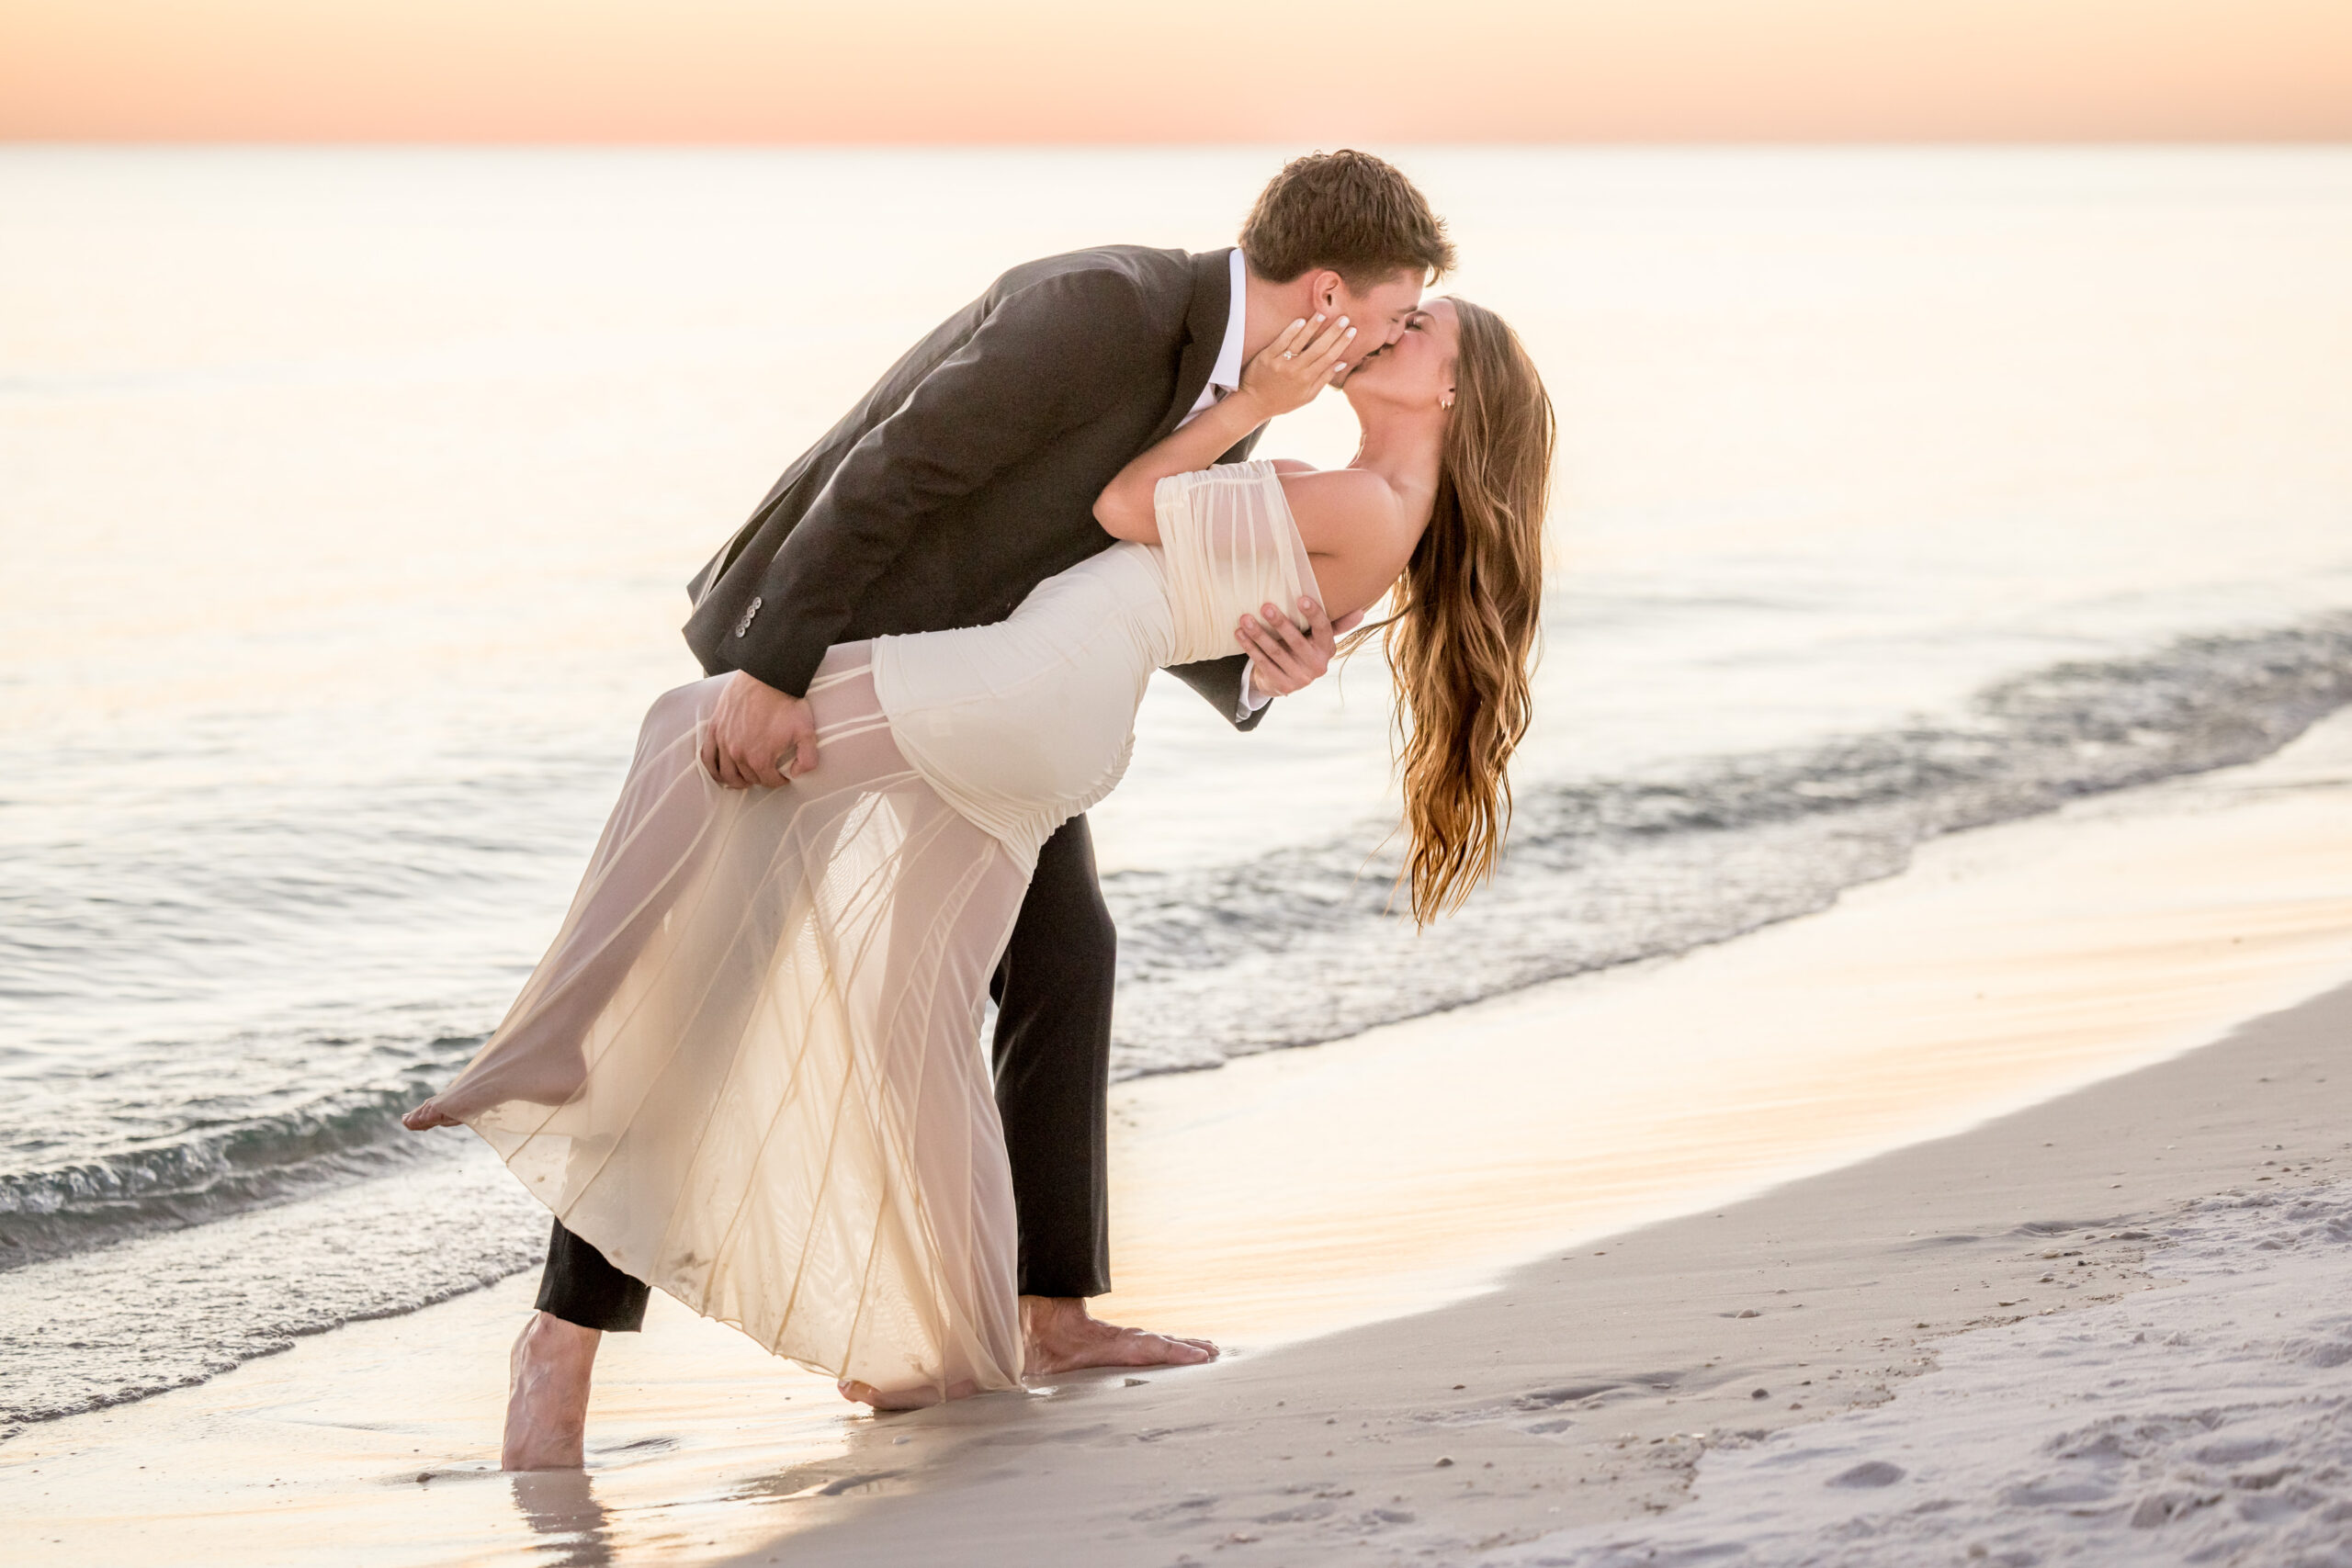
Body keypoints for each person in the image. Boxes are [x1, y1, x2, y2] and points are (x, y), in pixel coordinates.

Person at [406, 151, 1505, 1464]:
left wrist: (1273, 664)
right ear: (1327, 289)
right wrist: (770, 668)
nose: (1386, 336)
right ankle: (563, 1341)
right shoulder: (1101, 307)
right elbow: (896, 472)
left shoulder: (1251, 393)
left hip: (996, 690)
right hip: (848, 648)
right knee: (722, 968)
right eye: (1392, 311)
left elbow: (1147, 552)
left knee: (1060, 958)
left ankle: (1040, 1314)